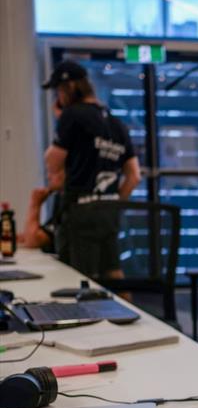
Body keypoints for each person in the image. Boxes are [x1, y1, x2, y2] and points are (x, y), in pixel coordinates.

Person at [41, 60, 142, 278]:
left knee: (79, 279)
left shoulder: (73, 115)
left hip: (80, 211)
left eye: (58, 91)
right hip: (108, 213)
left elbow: (53, 161)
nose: (57, 98)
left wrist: (61, 119)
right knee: (113, 273)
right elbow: (134, 176)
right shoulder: (117, 124)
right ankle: (125, 311)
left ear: (70, 87)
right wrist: (113, 203)